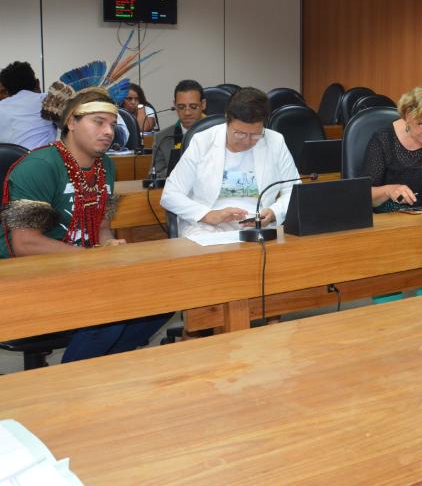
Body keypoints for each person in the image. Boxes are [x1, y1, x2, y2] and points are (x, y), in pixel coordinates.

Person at [0, 87, 170, 362]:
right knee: (109, 315)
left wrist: (108, 245)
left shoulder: (106, 167)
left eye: (112, 124)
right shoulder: (39, 166)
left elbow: (102, 226)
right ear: (71, 122)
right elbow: (25, 243)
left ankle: (101, 368)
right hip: (26, 275)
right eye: (98, 122)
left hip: (81, 268)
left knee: (163, 297)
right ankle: (70, 381)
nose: (109, 132)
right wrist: (88, 257)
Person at [160, 87, 299, 237]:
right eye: (239, 133)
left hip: (257, 227)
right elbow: (170, 195)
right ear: (227, 119)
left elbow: (294, 190)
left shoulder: (275, 141)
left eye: (255, 135)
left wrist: (274, 212)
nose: (246, 141)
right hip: (208, 226)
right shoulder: (203, 141)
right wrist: (207, 215)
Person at [363, 83, 422, 211]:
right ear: (408, 115)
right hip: (397, 218)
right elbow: (363, 193)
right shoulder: (384, 140)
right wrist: (388, 190)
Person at [150, 79, 206, 177]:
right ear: (175, 105)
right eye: (181, 107)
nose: (187, 113)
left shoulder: (219, 133)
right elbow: (155, 177)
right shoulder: (162, 138)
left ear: (203, 104)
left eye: (193, 106)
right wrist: (183, 167)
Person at [0, 61, 57, 149]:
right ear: (37, 83)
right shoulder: (48, 100)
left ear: (7, 91)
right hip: (44, 156)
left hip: (12, 157)